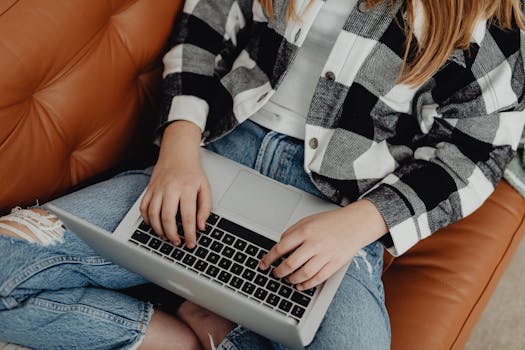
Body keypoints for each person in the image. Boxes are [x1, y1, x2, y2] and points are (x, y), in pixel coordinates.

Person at [1, 0, 524, 349]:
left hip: (342, 210)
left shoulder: (488, 19)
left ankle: (219, 322)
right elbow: (204, 24)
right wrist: (178, 148)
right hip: (213, 159)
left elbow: (478, 149)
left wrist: (360, 225)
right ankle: (186, 338)